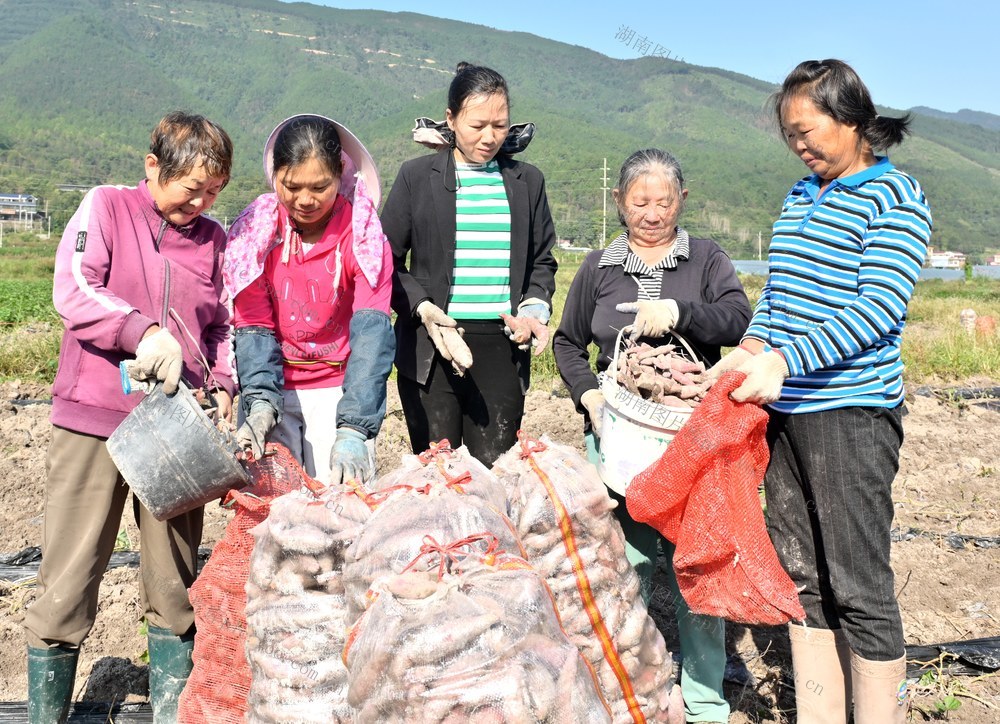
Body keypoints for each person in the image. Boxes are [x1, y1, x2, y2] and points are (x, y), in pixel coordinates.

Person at [707, 59, 932, 724]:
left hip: (851, 414)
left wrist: (787, 360)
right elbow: (779, 296)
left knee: (858, 584)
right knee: (800, 575)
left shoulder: (895, 197)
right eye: (790, 136)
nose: (799, 146)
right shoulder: (800, 196)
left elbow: (878, 309)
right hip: (786, 412)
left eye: (807, 131)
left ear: (852, 117)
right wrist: (749, 350)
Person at [25, 111, 235, 722]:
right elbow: (74, 287)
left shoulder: (213, 240)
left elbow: (222, 324)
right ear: (153, 167)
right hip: (95, 419)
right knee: (69, 576)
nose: (200, 202)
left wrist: (222, 382)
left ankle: (171, 708)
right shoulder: (107, 207)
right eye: (190, 187)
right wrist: (140, 331)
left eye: (212, 191)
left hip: (174, 431)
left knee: (174, 583)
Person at [553, 148, 751, 723]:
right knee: (627, 564)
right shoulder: (600, 267)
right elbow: (568, 341)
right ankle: (630, 690)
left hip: (689, 440)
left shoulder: (706, 259)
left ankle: (705, 701)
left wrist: (682, 313)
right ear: (620, 201)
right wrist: (588, 395)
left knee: (696, 564)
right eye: (640, 201)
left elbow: (739, 319)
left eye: (664, 201)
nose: (652, 213)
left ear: (681, 201)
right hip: (619, 439)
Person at [381, 62, 558, 467]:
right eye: (477, 125)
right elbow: (386, 260)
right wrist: (423, 308)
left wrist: (533, 310)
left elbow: (542, 260)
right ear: (451, 119)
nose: (489, 137)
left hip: (502, 350)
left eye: (500, 125)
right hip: (432, 347)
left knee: (494, 474)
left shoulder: (527, 182)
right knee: (438, 475)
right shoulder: (416, 177)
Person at [223, 114, 394, 486]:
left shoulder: (363, 237)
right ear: (275, 176)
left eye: (319, 187)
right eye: (291, 186)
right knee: (274, 504)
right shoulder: (255, 234)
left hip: (338, 389)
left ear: (340, 174)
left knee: (339, 503)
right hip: (273, 384)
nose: (304, 200)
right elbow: (254, 326)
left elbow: (372, 336)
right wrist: (260, 402)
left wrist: (354, 428)